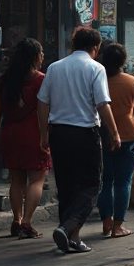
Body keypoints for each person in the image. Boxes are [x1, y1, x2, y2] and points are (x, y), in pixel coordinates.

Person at [37, 27, 121, 254]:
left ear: (73, 45)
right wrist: (114, 133)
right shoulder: (96, 68)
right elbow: (102, 104)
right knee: (92, 184)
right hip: (85, 133)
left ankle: (71, 236)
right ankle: (68, 226)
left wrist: (44, 132)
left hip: (59, 133)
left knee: (66, 185)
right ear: (96, 48)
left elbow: (43, 101)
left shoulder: (55, 67)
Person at [0, 38, 51, 240]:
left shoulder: (4, 79)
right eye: (41, 53)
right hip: (33, 133)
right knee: (37, 179)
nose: (43, 57)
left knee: (16, 179)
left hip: (9, 132)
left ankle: (16, 221)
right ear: (35, 57)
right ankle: (27, 222)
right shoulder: (41, 79)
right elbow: (46, 108)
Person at [98, 43, 134, 238]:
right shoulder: (133, 82)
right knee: (123, 182)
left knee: (105, 181)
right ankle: (118, 226)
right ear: (123, 61)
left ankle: (106, 222)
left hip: (103, 135)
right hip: (128, 136)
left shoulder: (98, 81)